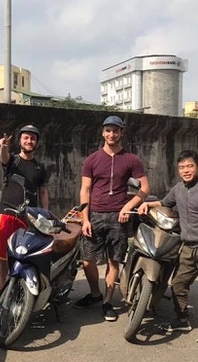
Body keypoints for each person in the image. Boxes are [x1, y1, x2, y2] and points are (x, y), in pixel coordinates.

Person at [138, 150, 198, 344]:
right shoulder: (179, 189)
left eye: (190, 166)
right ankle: (182, 320)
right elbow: (165, 202)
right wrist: (147, 205)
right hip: (187, 247)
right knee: (178, 284)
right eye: (182, 167)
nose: (186, 170)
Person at [75, 115, 150, 322]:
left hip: (119, 217)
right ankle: (95, 293)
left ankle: (107, 301)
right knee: (87, 260)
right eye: (108, 130)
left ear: (121, 133)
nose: (111, 134)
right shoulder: (92, 159)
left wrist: (128, 206)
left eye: (115, 131)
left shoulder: (131, 159)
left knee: (113, 260)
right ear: (103, 132)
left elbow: (145, 187)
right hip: (95, 215)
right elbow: (85, 189)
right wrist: (85, 218)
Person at [0, 124, 49, 309]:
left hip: (28, 217)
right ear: (20, 140)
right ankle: (0, 290)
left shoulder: (40, 168)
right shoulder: (12, 161)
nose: (29, 141)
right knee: (3, 257)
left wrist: (44, 215)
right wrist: (3, 147)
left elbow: (43, 192)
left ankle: (19, 289)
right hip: (7, 214)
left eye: (32, 138)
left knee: (24, 254)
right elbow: (4, 158)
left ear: (36, 142)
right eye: (26, 138)